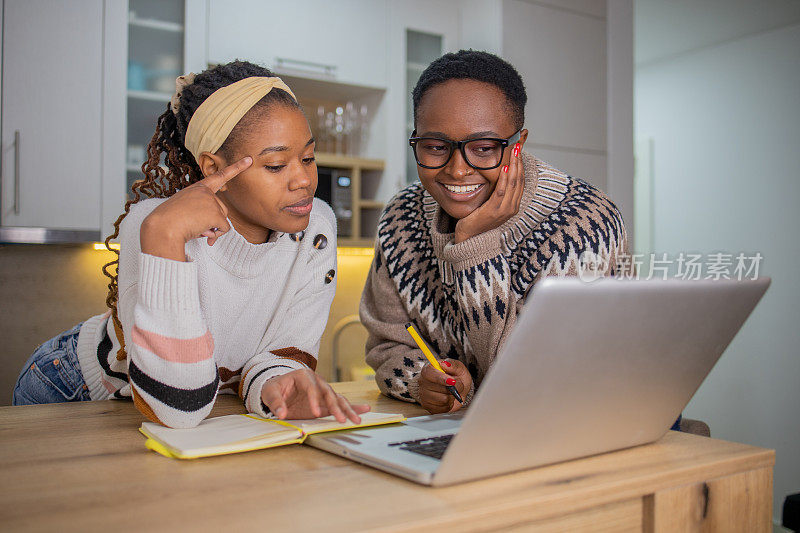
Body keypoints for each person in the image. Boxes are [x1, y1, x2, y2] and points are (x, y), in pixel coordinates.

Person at [13, 60, 369, 428]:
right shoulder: (159, 225)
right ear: (213, 169)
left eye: (308, 158)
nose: (304, 180)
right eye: (276, 165)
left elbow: (277, 357)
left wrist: (277, 385)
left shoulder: (317, 230)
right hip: (72, 388)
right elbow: (175, 409)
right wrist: (164, 238)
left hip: (191, 409)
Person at [361, 50, 631, 415]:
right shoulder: (401, 218)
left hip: (570, 430)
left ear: (518, 144)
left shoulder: (584, 224)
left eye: (484, 148)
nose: (457, 171)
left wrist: (474, 246)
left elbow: (532, 389)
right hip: (459, 435)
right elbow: (385, 348)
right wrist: (421, 380)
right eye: (435, 147)